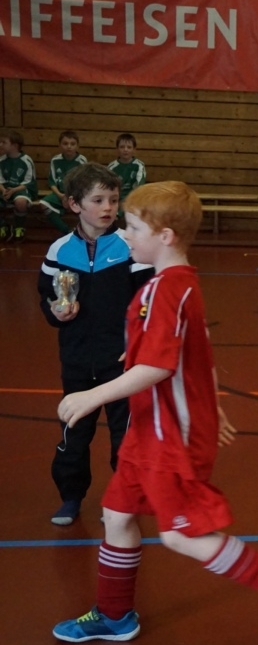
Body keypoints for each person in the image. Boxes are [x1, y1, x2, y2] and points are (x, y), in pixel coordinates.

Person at [52, 181, 258, 643]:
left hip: (170, 434)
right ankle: (114, 615)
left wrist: (93, 396)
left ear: (165, 236)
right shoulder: (170, 284)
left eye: (134, 227)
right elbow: (197, 354)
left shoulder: (169, 290)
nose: (125, 235)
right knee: (117, 515)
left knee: (179, 534)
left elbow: (158, 366)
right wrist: (212, 402)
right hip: (148, 429)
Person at [38, 164, 153, 525]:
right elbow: (46, 297)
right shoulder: (59, 251)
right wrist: (57, 311)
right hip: (76, 361)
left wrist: (139, 342)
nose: (108, 207)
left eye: (113, 200)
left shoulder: (130, 247)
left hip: (121, 363)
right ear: (74, 204)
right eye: (98, 200)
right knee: (74, 435)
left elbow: (148, 302)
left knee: (125, 437)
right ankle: (71, 497)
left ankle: (122, 502)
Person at [40, 131, 89, 234]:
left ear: (77, 146)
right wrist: (61, 196)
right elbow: (52, 182)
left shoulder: (82, 161)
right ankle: (66, 230)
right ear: (60, 145)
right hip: (60, 194)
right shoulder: (55, 160)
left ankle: (85, 232)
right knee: (44, 204)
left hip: (76, 194)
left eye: (72, 144)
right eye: (65, 143)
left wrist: (71, 197)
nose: (69, 147)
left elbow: (83, 183)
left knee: (86, 206)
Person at [1, 128, 38, 242]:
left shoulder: (26, 160)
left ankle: (19, 227)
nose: (0, 145)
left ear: (15, 146)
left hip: (22, 189)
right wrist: (3, 190)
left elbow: (29, 182)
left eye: (4, 142)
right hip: (5, 189)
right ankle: (2, 226)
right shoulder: (2, 160)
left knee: (20, 202)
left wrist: (13, 190)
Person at [107, 133, 148, 206]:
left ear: (134, 149)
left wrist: (128, 200)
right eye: (122, 147)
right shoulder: (111, 167)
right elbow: (108, 187)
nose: (125, 150)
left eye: (129, 147)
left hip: (133, 199)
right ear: (117, 149)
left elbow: (140, 186)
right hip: (116, 200)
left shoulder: (139, 166)